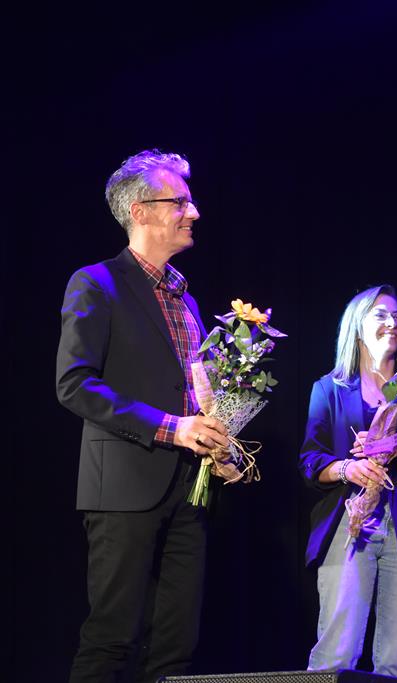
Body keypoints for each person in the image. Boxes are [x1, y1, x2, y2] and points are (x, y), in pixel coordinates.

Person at [56, 150, 229, 683]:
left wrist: (222, 442)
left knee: (176, 649)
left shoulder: (188, 301)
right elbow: (74, 385)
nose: (193, 211)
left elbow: (195, 395)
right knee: (112, 639)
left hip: (188, 489)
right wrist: (174, 427)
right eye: (180, 201)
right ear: (142, 211)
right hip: (125, 488)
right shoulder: (96, 283)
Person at [300, 285, 397, 682]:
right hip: (350, 524)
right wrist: (346, 469)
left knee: (394, 666)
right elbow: (310, 460)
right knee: (336, 656)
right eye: (381, 315)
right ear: (358, 326)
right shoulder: (329, 389)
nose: (393, 323)